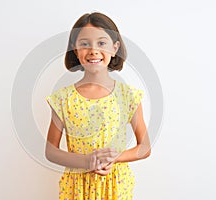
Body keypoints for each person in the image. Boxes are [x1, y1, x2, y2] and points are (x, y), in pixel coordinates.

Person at [45, 12, 151, 200]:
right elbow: (50, 151)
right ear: (75, 50)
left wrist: (114, 157)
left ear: (115, 47)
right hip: (77, 188)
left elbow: (144, 147)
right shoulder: (63, 99)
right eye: (85, 44)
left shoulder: (129, 96)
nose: (93, 50)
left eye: (101, 43)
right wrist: (86, 161)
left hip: (116, 187)